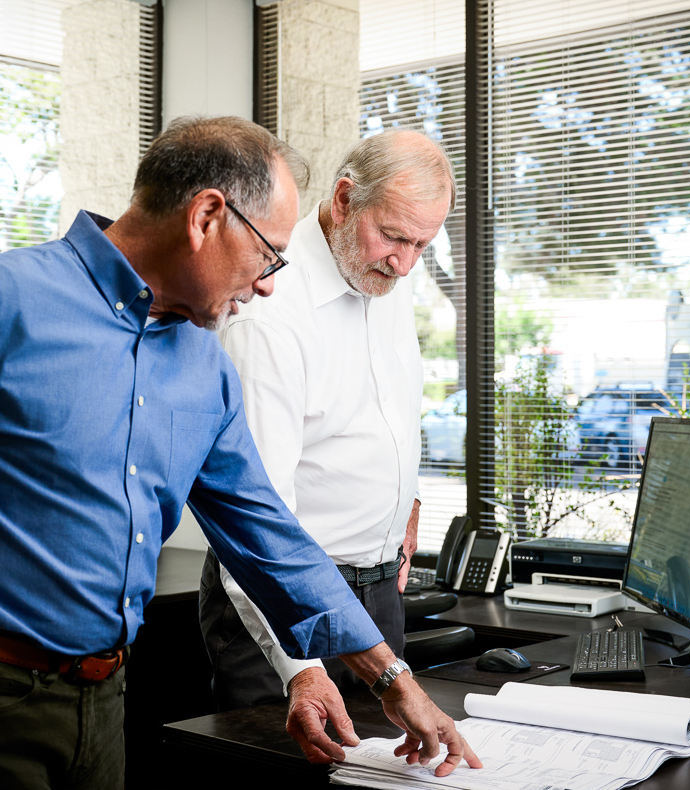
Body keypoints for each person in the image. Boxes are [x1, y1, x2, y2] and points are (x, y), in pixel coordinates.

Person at [0, 116, 480, 790]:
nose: (268, 284)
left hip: (103, 698)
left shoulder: (203, 364)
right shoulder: (12, 300)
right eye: (269, 255)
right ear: (205, 216)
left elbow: (265, 532)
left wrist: (389, 676)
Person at [199, 130, 454, 716]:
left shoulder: (385, 270)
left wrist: (403, 504)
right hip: (282, 602)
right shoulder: (267, 310)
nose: (405, 262)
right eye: (394, 237)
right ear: (343, 200)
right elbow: (255, 514)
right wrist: (302, 670)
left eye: (423, 244)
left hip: (380, 592)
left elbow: (387, 412)